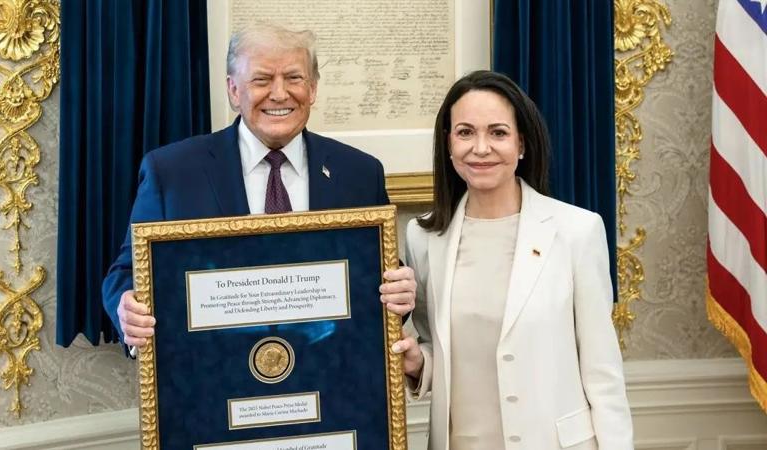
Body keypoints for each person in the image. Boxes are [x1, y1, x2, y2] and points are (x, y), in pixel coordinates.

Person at [102, 23, 416, 349]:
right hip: (212, 368)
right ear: (233, 90)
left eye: (294, 78)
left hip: (329, 368)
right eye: (262, 80)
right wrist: (128, 310)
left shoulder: (360, 173)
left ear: (312, 89)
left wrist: (400, 292)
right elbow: (127, 273)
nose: (279, 94)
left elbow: (380, 277)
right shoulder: (172, 173)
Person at [390, 71, 633, 449]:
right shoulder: (423, 237)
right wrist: (418, 364)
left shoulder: (577, 231)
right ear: (449, 143)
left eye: (498, 133)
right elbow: (437, 348)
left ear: (521, 143)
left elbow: (603, 373)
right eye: (465, 132)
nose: (480, 148)